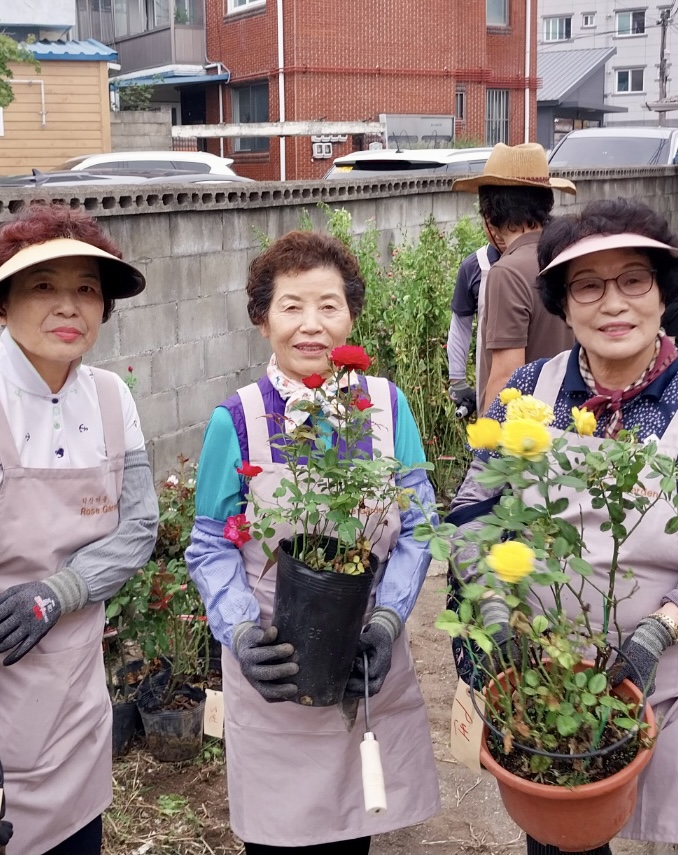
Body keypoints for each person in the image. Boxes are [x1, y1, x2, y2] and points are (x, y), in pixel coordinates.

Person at [450, 198, 678, 855]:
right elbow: (472, 515)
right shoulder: (529, 395)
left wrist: (663, 626)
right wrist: (489, 610)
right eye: (588, 285)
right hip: (557, 677)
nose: (614, 303)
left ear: (662, 294)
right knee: (563, 838)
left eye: (634, 279)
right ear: (563, 306)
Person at [0, 202, 160, 855]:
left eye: (86, 289)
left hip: (69, 693)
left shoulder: (110, 399)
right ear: (1, 305)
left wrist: (58, 592)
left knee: (76, 840)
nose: (69, 306)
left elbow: (139, 528)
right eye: (44, 286)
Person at [185, 231, 441, 854]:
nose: (311, 326)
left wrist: (386, 620)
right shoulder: (238, 420)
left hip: (364, 663)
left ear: (351, 315)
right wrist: (241, 632)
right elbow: (211, 543)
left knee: (356, 834)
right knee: (279, 841)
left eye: (329, 305)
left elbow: (417, 525)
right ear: (261, 319)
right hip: (275, 667)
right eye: (291, 306)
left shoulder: (386, 405)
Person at [452, 143, 577, 415]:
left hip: (524, 439)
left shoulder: (507, 273)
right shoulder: (571, 258)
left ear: (489, 216)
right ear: (546, 204)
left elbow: (506, 377)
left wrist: (486, 449)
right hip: (574, 424)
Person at [446, 234, 503, 418]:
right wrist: (458, 381)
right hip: (491, 380)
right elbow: (460, 326)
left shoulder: (547, 259)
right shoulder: (475, 266)